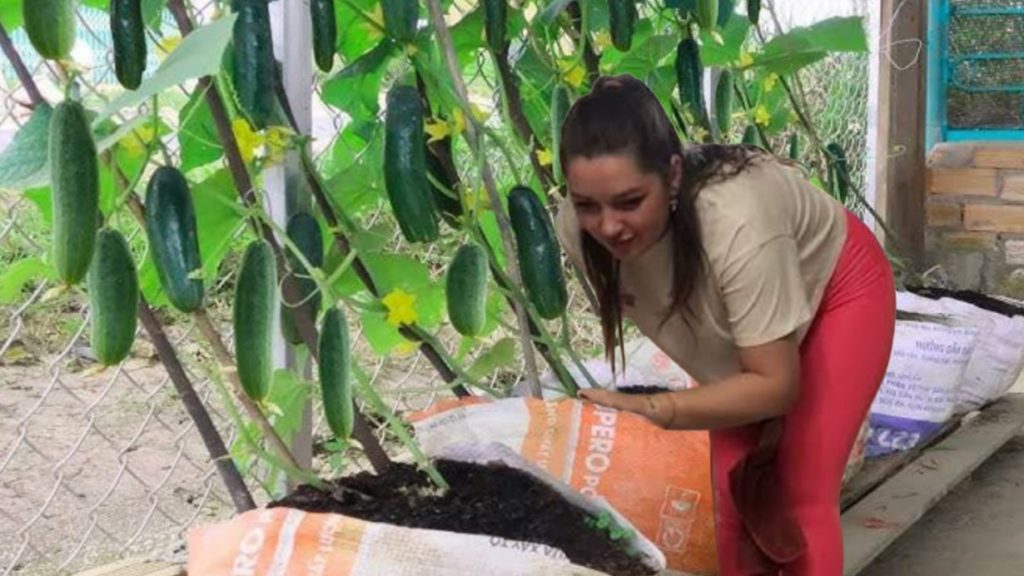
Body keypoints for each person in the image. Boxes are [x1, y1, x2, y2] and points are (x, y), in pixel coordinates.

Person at [554, 74, 896, 575]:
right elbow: (699, 326)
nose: (608, 226)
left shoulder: (736, 220)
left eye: (630, 201)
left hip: (837, 289)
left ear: (672, 176)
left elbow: (774, 386)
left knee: (799, 492)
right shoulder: (577, 231)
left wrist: (659, 406)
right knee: (732, 491)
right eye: (588, 205)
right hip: (749, 315)